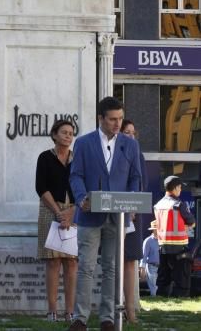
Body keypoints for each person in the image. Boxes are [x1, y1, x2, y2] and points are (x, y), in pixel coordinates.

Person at [68, 96, 142, 331]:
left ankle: (107, 318)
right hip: (90, 215)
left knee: (111, 267)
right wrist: (81, 199)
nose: (117, 124)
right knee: (87, 266)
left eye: (120, 118)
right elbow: (76, 175)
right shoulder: (84, 143)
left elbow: (135, 178)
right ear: (100, 118)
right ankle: (80, 318)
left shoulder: (130, 144)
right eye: (112, 119)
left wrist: (130, 203)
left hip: (117, 217)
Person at [35, 119, 77, 322]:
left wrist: (71, 213)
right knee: (53, 262)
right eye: (64, 132)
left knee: (71, 263)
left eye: (71, 133)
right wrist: (58, 212)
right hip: (50, 210)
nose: (68, 136)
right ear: (54, 135)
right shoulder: (44, 157)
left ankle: (70, 312)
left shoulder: (77, 158)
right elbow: (40, 187)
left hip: (74, 212)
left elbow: (82, 187)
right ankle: (52, 311)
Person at [120, 119, 148, 323]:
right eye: (126, 132)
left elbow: (141, 183)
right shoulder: (111, 151)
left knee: (130, 261)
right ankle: (113, 308)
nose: (130, 135)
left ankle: (130, 309)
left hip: (132, 215)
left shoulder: (138, 154)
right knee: (114, 262)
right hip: (111, 213)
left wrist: (132, 208)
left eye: (133, 132)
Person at [154, 175, 195, 297]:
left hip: (163, 246)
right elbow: (191, 222)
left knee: (163, 276)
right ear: (176, 188)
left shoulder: (158, 205)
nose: (181, 189)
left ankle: (161, 296)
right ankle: (180, 298)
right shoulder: (178, 204)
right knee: (181, 276)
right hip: (179, 246)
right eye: (180, 187)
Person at [140, 221, 159, 297]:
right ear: (153, 230)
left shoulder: (162, 240)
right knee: (153, 285)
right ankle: (153, 297)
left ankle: (156, 297)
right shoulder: (148, 241)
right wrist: (142, 268)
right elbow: (144, 255)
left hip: (162, 266)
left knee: (156, 284)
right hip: (151, 266)